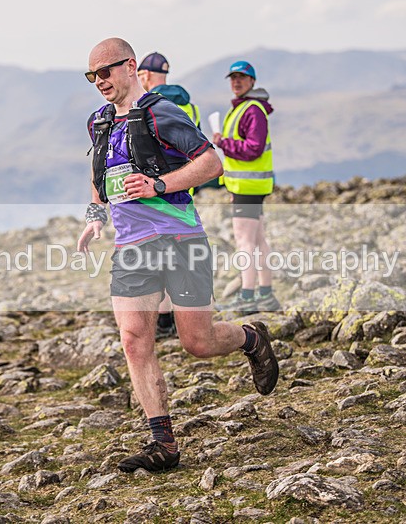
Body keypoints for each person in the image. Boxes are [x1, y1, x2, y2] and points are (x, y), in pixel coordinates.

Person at [78, 38, 279, 473]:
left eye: (106, 72)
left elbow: (210, 164)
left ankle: (252, 338)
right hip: (131, 249)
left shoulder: (161, 112)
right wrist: (95, 216)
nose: (99, 82)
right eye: (92, 75)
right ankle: (163, 443)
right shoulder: (99, 122)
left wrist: (159, 185)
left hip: (180, 239)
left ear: (130, 66)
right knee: (134, 341)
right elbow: (99, 176)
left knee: (197, 343)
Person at [136, 51, 206, 339]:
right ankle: (183, 315)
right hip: (185, 187)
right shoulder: (189, 105)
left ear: (145, 75)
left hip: (158, 188)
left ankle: (165, 319)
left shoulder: (149, 106)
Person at [212, 61, 281, 314]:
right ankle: (266, 295)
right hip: (249, 186)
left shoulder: (252, 110)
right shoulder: (244, 107)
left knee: (245, 242)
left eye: (242, 77)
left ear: (252, 81)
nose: (236, 82)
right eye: (233, 78)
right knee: (258, 240)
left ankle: (248, 297)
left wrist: (223, 143)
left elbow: (253, 149)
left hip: (248, 186)